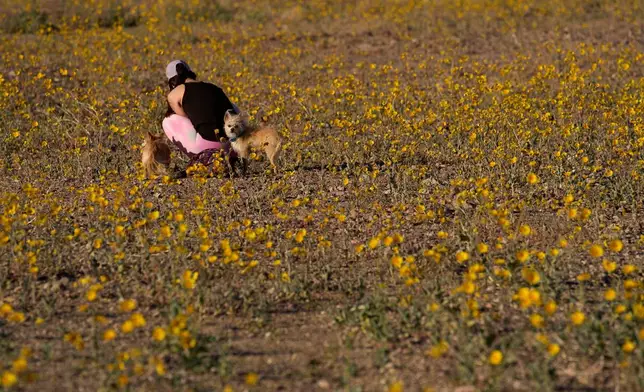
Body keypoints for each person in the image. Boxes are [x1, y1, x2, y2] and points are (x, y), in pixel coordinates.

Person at [162, 59, 239, 168]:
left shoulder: (174, 94)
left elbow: (186, 119)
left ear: (172, 81)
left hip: (208, 146)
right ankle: (233, 156)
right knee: (233, 107)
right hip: (234, 146)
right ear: (190, 73)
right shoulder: (215, 88)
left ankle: (204, 159)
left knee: (169, 120)